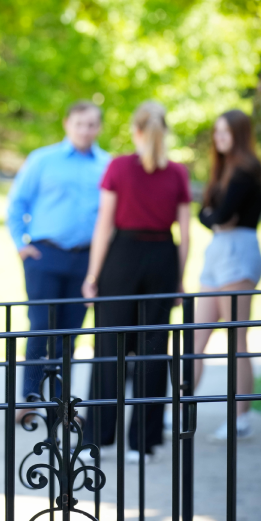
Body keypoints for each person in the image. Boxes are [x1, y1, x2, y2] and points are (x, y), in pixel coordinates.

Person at [82, 101, 191, 463]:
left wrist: (93, 275)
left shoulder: (118, 167)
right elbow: (185, 234)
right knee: (153, 351)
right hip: (162, 257)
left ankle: (97, 437)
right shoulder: (177, 172)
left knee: (109, 349)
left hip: (122, 258)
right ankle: (141, 443)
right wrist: (179, 280)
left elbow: (104, 224)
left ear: (135, 130)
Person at [6, 101, 110, 416]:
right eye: (80, 124)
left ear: (99, 128)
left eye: (92, 124)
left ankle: (61, 405)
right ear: (67, 124)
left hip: (85, 260)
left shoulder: (107, 165)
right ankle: (30, 400)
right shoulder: (42, 160)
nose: (85, 130)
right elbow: (17, 203)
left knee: (70, 334)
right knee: (40, 328)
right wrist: (20, 245)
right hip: (44, 255)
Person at [191, 110, 261, 441]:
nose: (219, 138)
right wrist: (213, 217)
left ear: (239, 134)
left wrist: (213, 216)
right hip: (218, 248)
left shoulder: (247, 170)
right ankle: (174, 410)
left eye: (226, 133)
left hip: (238, 251)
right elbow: (209, 215)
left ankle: (240, 418)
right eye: (216, 132)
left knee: (236, 339)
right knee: (195, 338)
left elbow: (219, 214)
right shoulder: (223, 170)